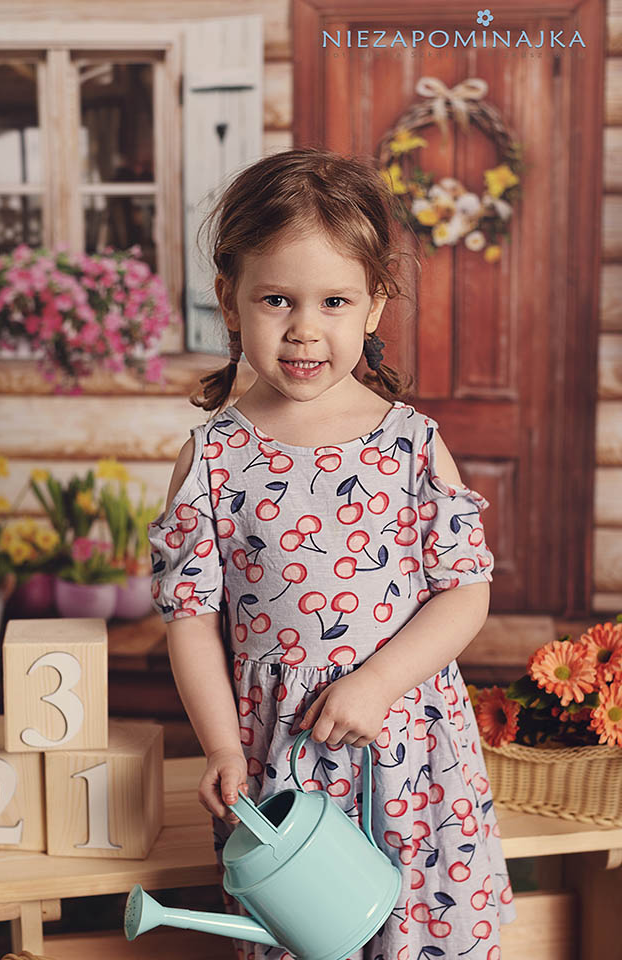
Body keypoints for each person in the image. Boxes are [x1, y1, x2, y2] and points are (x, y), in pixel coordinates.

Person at [148, 147, 517, 960]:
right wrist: (221, 747)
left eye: (334, 301)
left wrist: (378, 682)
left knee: (423, 933)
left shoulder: (410, 445)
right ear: (231, 301)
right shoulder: (212, 459)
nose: (305, 329)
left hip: (408, 749)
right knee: (307, 935)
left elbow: (466, 592)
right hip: (278, 759)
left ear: (375, 304)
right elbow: (190, 620)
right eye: (277, 299)